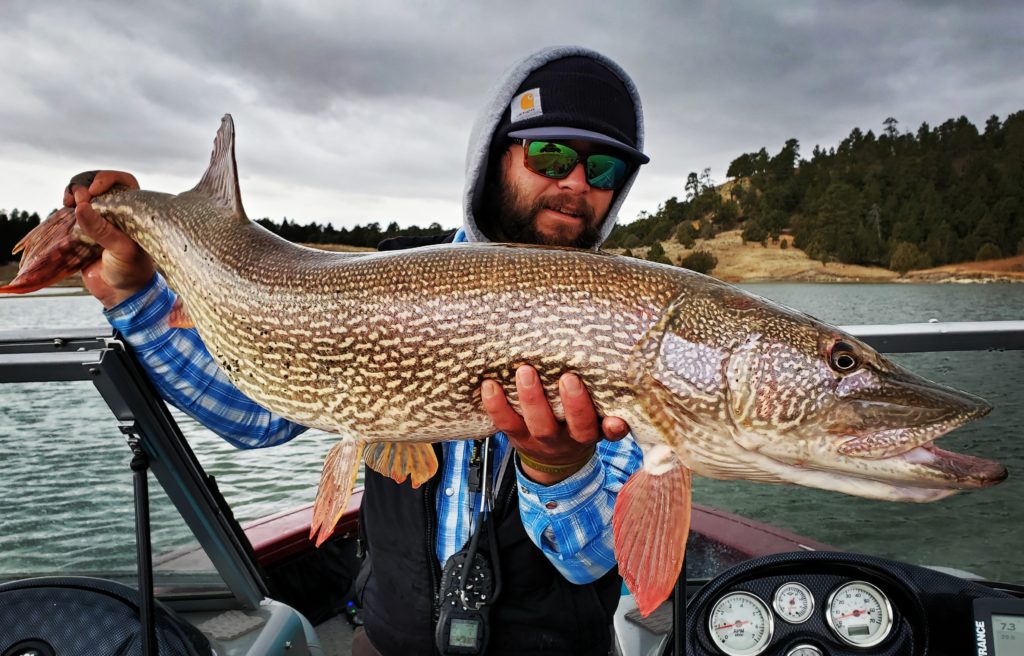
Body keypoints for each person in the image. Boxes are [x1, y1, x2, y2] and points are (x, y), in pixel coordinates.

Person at [65, 45, 650, 655]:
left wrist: (561, 469)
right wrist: (133, 293)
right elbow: (258, 414)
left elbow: (593, 562)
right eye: (551, 154)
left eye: (605, 170)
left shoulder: (625, 319)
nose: (577, 184)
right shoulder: (379, 287)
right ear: (496, 155)